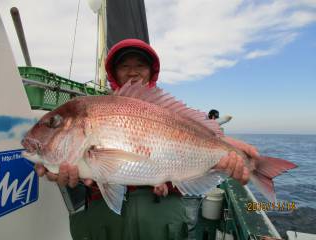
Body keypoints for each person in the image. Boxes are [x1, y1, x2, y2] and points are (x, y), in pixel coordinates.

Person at [35, 39, 258, 240]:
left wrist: (227, 148)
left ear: (152, 72)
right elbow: (96, 170)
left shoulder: (169, 113)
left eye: (140, 65)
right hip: (105, 218)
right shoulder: (96, 107)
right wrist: (70, 167)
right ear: (114, 72)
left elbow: (189, 149)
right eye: (125, 65)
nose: (133, 72)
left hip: (161, 215)